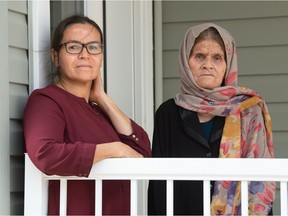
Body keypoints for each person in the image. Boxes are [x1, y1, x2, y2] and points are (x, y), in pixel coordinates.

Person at [24, 15, 151, 215]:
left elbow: (141, 150)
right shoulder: (47, 101)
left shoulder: (97, 109)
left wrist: (102, 97)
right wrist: (114, 149)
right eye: (73, 47)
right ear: (55, 56)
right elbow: (45, 153)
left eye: (93, 47)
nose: (85, 54)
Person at [148, 23, 275, 215]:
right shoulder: (168, 113)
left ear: (228, 64)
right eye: (199, 56)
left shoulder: (248, 111)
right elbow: (158, 186)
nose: (208, 64)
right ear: (185, 61)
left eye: (217, 57)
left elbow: (260, 184)